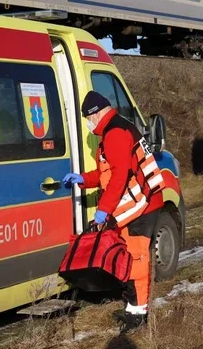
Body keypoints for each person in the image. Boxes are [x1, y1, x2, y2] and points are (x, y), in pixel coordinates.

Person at [62, 91, 163, 331]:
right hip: (141, 201)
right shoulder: (115, 129)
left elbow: (119, 176)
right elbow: (108, 172)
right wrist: (83, 179)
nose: (88, 123)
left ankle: (139, 314)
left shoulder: (115, 133)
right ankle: (133, 307)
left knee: (137, 257)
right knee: (130, 255)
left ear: (95, 114)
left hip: (142, 204)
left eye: (88, 118)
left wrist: (103, 212)